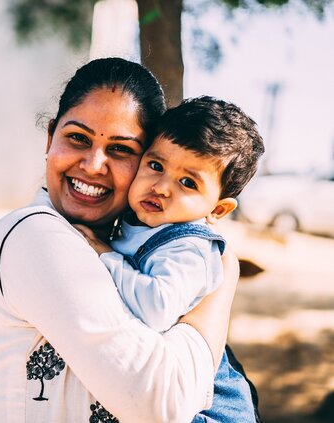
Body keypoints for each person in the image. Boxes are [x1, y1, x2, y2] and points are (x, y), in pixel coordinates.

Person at [0, 57, 255, 422]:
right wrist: (221, 287)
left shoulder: (134, 242)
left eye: (120, 149)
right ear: (50, 137)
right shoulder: (37, 237)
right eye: (77, 139)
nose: (93, 164)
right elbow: (163, 404)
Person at [75, 96, 265, 422]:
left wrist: (103, 254)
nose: (161, 187)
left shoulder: (189, 248)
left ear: (217, 209)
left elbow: (155, 307)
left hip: (208, 410)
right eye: (156, 166)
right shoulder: (136, 222)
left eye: (188, 182)